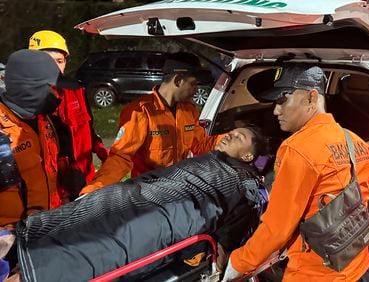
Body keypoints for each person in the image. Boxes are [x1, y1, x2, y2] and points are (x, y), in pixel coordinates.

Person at [15, 125, 268, 281]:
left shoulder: (242, 188)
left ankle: (32, 269)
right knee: (97, 207)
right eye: (232, 132)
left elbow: (227, 240)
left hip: (161, 217)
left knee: (101, 241)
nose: (229, 135)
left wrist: (217, 270)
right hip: (139, 194)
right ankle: (21, 252)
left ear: (248, 156)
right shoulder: (208, 159)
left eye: (238, 137)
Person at [222, 65, 369, 282]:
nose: (276, 111)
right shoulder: (357, 142)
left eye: (283, 100)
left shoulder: (297, 149)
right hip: (359, 269)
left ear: (311, 97)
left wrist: (238, 263)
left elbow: (277, 228)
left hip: (314, 275)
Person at [80, 53, 215, 195]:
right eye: (193, 84)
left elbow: (200, 145)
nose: (195, 91)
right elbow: (121, 157)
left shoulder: (189, 110)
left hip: (178, 189)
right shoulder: (140, 111)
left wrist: (233, 138)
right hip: (147, 193)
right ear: (178, 81)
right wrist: (94, 189)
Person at [28, 30, 108, 200]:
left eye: (60, 61)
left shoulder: (77, 90)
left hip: (84, 181)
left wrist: (104, 153)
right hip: (52, 191)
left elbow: (89, 129)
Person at [0, 49, 70, 227]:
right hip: (9, 242)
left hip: (46, 229)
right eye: (49, 88)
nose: (56, 95)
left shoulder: (44, 120)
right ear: (26, 87)